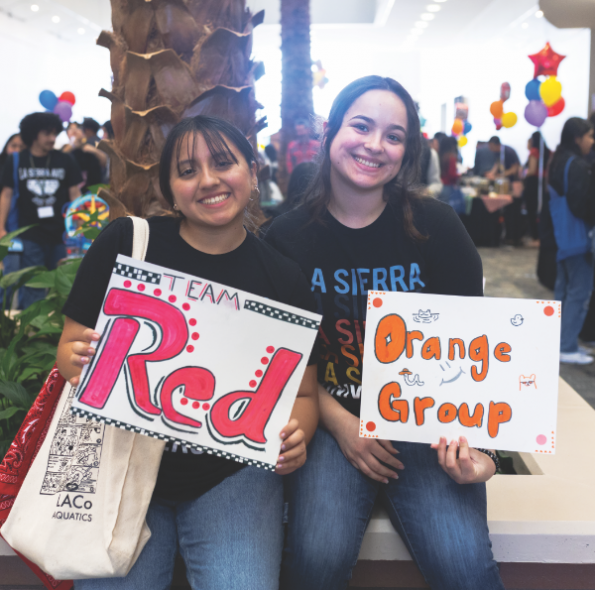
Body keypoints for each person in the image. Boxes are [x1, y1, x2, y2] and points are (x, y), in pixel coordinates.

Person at [56, 115, 319, 590]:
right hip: (124, 461)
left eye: (223, 163)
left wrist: (298, 434)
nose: (209, 181)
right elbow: (69, 350)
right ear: (170, 188)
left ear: (253, 172)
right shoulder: (128, 245)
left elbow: (302, 394)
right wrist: (77, 358)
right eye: (188, 170)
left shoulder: (283, 278)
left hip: (232, 474)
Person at [265, 75, 504, 590]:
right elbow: (279, 365)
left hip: (426, 425)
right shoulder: (285, 239)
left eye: (394, 136)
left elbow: (480, 355)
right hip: (334, 422)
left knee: (466, 568)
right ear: (332, 131)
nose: (375, 145)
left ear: (406, 151)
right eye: (362, 126)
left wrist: (482, 459)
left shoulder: (438, 227)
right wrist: (341, 423)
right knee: (316, 558)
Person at [0, 112, 82, 309]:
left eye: (55, 134)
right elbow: (6, 195)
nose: (52, 139)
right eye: (47, 134)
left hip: (60, 235)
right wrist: (1, 227)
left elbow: (75, 194)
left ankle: (56, 332)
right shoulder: (16, 160)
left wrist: (79, 226)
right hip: (29, 234)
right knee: (33, 284)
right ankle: (32, 331)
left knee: (62, 286)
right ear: (33, 134)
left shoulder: (65, 160)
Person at [549, 117, 595, 365]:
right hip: (578, 236)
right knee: (579, 292)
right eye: (589, 136)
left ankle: (560, 342)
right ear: (577, 138)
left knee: (564, 292)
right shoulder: (576, 164)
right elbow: (582, 205)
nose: (592, 141)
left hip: (563, 235)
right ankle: (566, 346)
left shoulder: (558, 160)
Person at [0, 133, 25, 305]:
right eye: (13, 146)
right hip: (5, 230)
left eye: (21, 147)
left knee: (17, 274)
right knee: (8, 275)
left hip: (18, 230)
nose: (16, 151)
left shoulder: (26, 170)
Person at [485, 136, 522, 245]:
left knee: (513, 212)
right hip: (505, 185)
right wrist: (492, 173)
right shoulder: (498, 153)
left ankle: (514, 237)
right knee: (506, 212)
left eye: (490, 146)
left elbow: (515, 168)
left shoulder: (508, 151)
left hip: (513, 185)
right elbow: (498, 165)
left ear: (494, 145)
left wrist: (499, 175)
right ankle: (507, 236)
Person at [522, 131, 551, 242]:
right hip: (543, 183)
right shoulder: (547, 152)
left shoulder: (534, 152)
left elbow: (532, 170)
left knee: (531, 209)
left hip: (533, 183)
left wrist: (523, 173)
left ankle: (535, 237)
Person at [64, 122, 104, 192]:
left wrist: (94, 151)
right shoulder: (65, 149)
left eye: (76, 129)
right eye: (71, 129)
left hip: (92, 192)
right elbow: (60, 158)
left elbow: (104, 163)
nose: (74, 132)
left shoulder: (90, 147)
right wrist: (73, 144)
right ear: (67, 133)